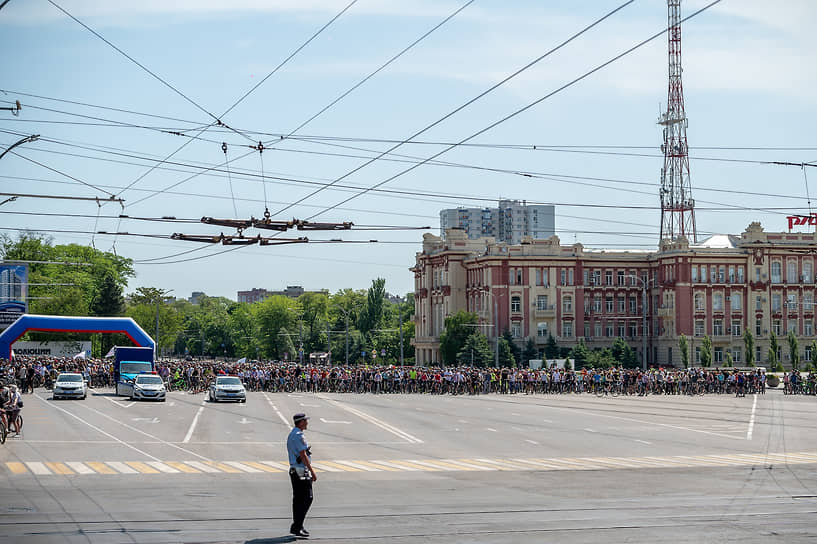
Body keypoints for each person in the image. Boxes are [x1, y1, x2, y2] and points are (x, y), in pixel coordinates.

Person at [287, 413, 316, 538]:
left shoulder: (292, 433)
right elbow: (303, 455)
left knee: (298, 499)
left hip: (295, 470)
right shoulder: (298, 435)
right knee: (307, 498)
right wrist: (312, 471)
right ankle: (297, 526)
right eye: (305, 420)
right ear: (301, 422)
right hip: (300, 471)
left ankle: (297, 526)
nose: (307, 423)